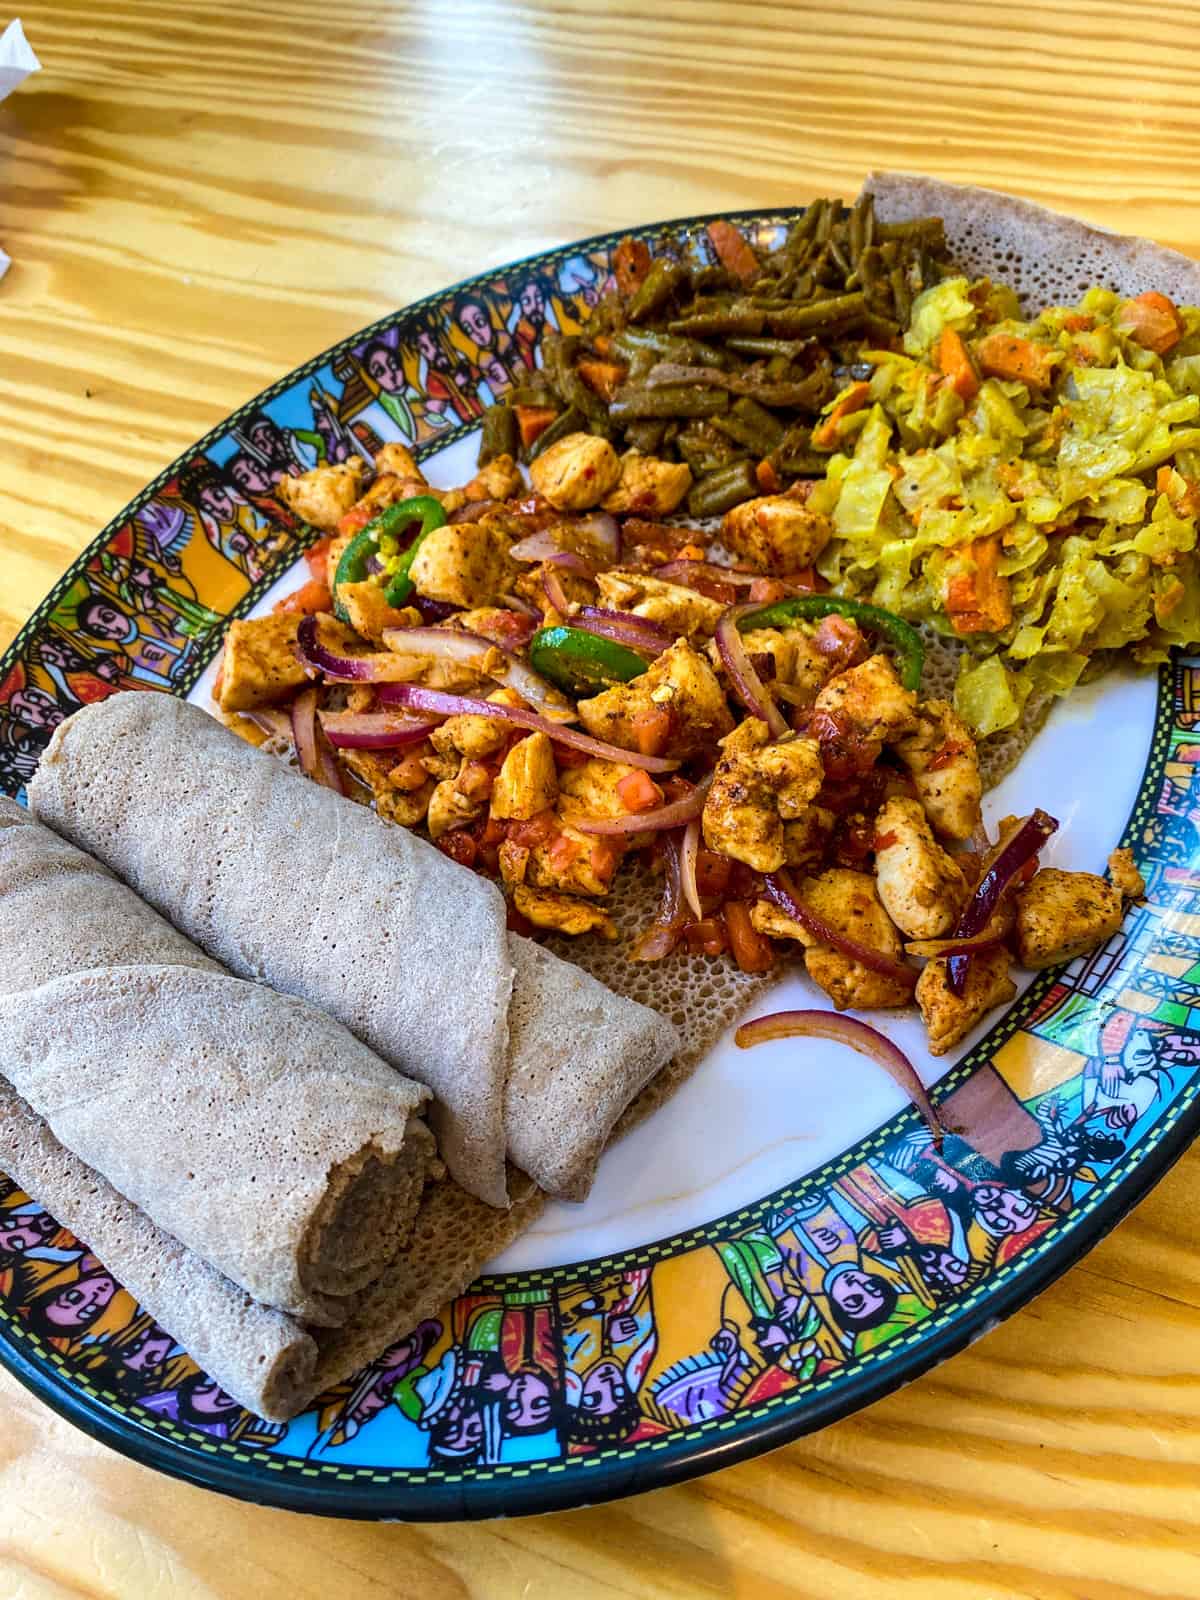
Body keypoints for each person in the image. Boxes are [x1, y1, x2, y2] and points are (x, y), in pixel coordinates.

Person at [361, 340, 418, 441]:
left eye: (393, 364)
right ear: (374, 379)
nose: (391, 374)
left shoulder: (417, 387)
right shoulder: (382, 407)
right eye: (380, 371)